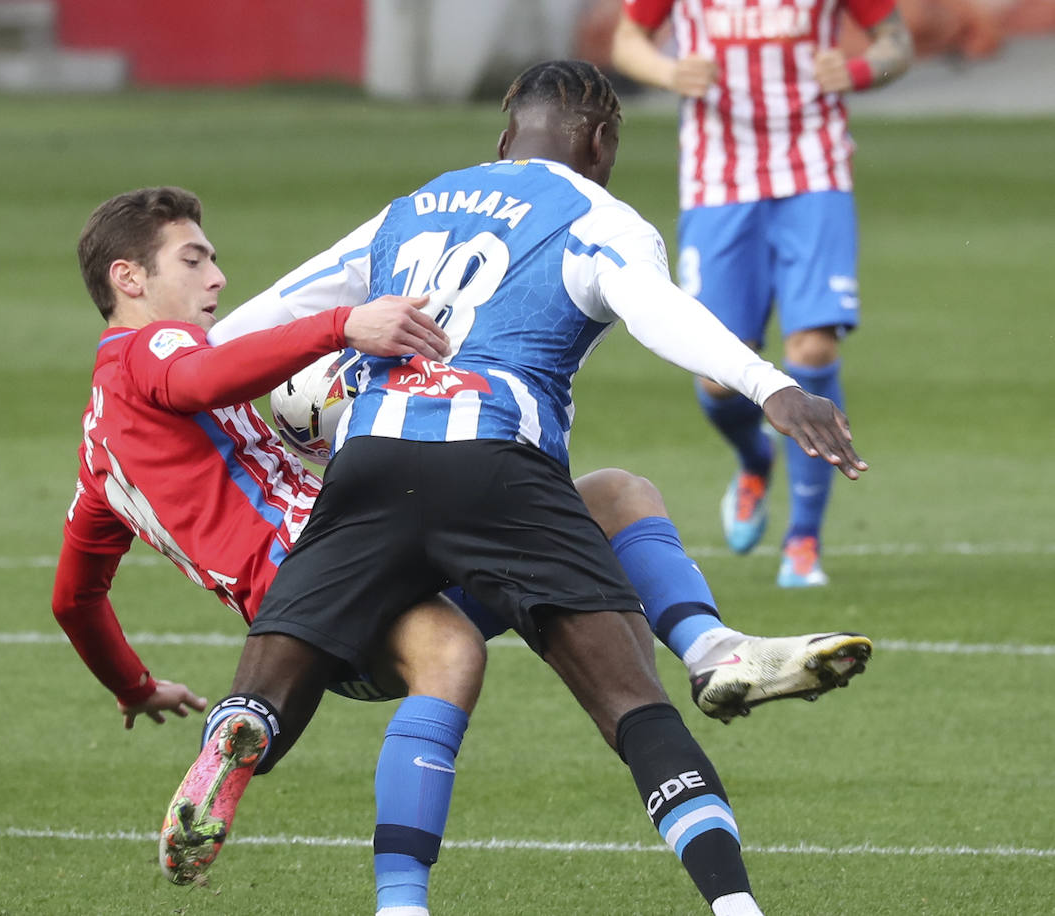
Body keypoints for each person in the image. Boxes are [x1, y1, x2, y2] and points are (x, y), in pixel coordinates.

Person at [161, 60, 869, 916]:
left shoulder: (413, 208)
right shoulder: (598, 216)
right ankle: (734, 903)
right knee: (632, 705)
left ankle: (249, 728)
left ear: (503, 139)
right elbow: (658, 310)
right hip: (497, 469)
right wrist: (772, 388)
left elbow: (264, 319)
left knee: (290, 669)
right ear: (602, 143)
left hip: (370, 460)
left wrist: (176, 376)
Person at [49, 186, 486, 910]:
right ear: (129, 280)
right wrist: (343, 325)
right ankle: (402, 898)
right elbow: (197, 377)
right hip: (342, 555)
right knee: (475, 623)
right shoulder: (154, 345)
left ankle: (248, 726)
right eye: (193, 259)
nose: (217, 277)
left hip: (296, 630)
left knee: (563, 538)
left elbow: (74, 600)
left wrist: (134, 686)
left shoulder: (98, 458)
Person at [610, 0, 913, 587]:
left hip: (815, 171)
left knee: (814, 349)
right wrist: (670, 72)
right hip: (717, 180)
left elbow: (894, 42)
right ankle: (754, 459)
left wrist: (856, 71)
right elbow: (627, 40)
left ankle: (803, 541)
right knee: (718, 375)